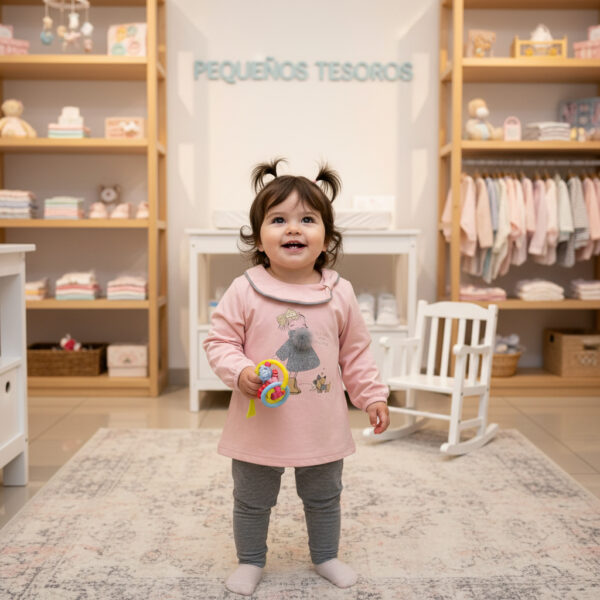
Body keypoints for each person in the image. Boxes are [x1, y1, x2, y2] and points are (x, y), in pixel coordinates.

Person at [203, 158, 390, 596]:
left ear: (326, 236)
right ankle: (251, 560)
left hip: (320, 423)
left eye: (307, 219)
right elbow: (219, 342)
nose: (293, 229)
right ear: (258, 237)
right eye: (279, 220)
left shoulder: (338, 292)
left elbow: (355, 352)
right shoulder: (245, 289)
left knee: (324, 497)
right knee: (252, 499)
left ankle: (325, 556)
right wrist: (241, 371)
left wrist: (372, 396)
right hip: (259, 424)